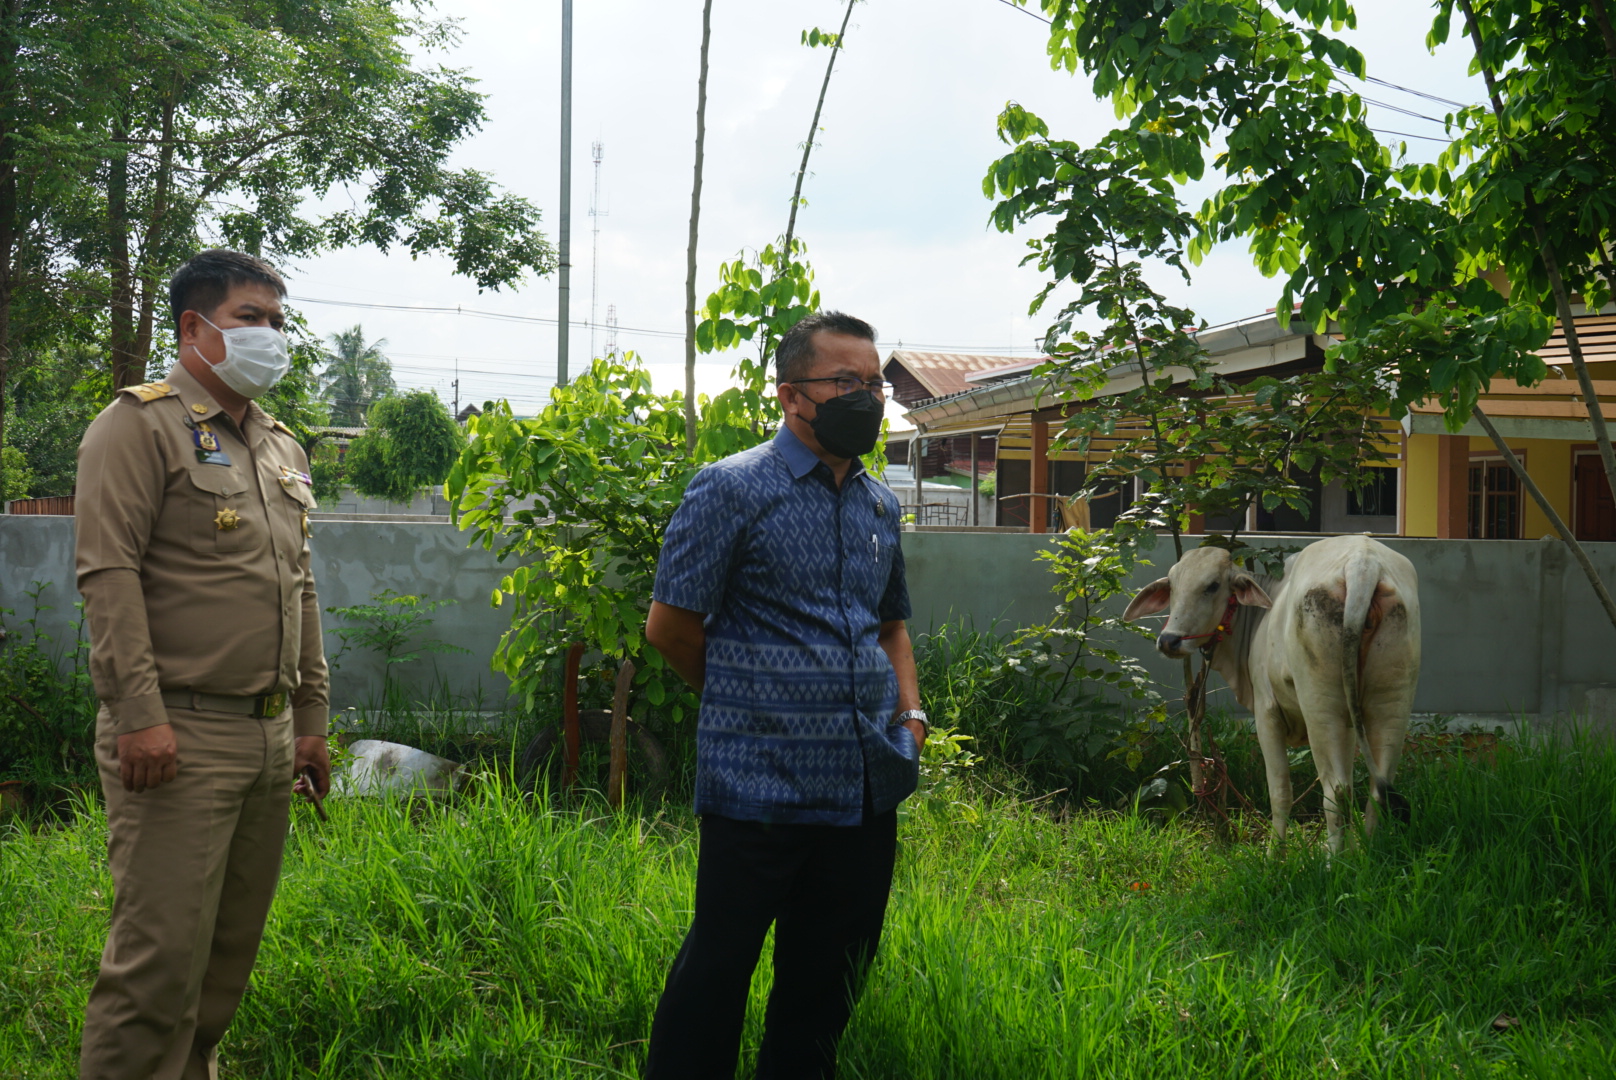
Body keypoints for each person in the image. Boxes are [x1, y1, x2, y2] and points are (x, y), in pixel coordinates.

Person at [642, 311, 927, 1080]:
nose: (864, 397)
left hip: (866, 783)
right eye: (845, 382)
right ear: (791, 395)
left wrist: (912, 715)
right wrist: (750, 698)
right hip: (756, 786)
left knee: (828, 979)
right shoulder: (731, 489)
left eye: (873, 383)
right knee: (718, 969)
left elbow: (892, 626)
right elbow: (670, 627)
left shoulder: (879, 504)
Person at [74, 249, 331, 1080]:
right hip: (176, 736)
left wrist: (311, 722)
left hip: (267, 735)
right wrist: (139, 716)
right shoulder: (135, 427)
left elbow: (300, 587)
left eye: (278, 323)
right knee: (157, 970)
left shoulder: (280, 447)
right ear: (195, 327)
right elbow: (107, 575)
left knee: (223, 968)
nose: (271, 337)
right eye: (253, 319)